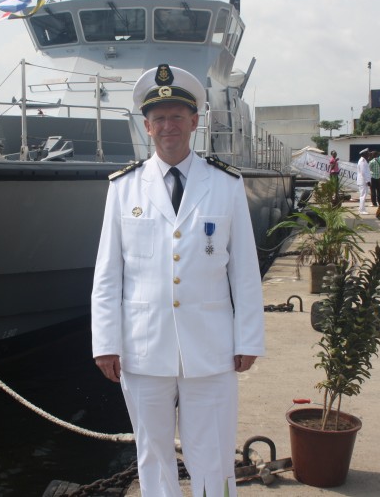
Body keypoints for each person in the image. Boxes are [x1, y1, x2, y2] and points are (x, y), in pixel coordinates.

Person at [91, 64, 264, 497]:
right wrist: (105, 343)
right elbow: (109, 274)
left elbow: (244, 271)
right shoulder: (123, 188)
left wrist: (249, 339)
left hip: (211, 348)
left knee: (215, 450)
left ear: (194, 121)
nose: (169, 125)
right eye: (160, 118)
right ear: (147, 126)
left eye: (177, 116)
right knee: (152, 452)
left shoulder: (226, 185)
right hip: (143, 346)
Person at [356, 148, 371, 215]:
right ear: (364, 154)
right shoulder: (362, 161)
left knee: (363, 195)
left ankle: (362, 208)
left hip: (363, 181)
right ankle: (361, 210)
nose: (368, 154)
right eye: (367, 153)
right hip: (363, 181)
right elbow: (363, 172)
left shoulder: (364, 160)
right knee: (363, 195)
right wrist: (368, 181)